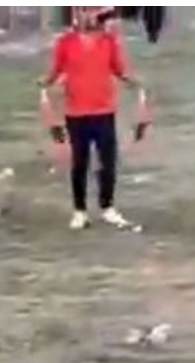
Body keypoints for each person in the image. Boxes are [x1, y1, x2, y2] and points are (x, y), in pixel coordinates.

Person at [43, 7, 148, 231]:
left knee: (107, 161)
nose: (92, 16)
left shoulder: (109, 42)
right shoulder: (65, 43)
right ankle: (79, 211)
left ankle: (107, 207)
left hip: (103, 112)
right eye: (87, 10)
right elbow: (55, 71)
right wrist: (45, 83)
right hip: (76, 113)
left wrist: (135, 82)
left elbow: (119, 70)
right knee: (79, 163)